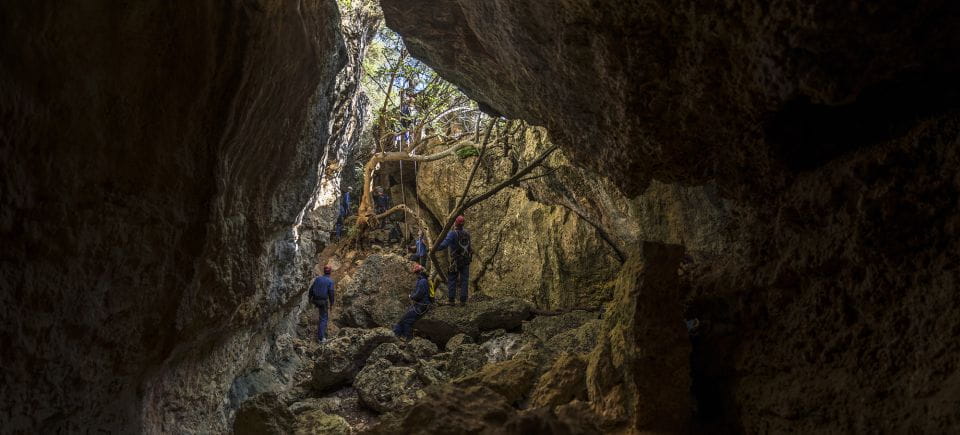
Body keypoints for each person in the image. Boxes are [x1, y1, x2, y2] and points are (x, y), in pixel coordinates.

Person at [438, 215, 472, 305]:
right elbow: (469, 248)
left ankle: (451, 300)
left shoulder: (452, 233)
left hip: (455, 261)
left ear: (455, 223)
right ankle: (463, 300)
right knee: (464, 280)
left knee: (452, 279)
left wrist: (434, 248)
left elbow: (444, 245)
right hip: (466, 260)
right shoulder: (467, 233)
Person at [393, 263, 432, 340]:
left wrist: (411, 296)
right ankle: (396, 336)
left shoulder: (422, 281)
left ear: (419, 272)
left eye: (416, 273)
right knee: (403, 319)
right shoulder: (423, 280)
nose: (415, 275)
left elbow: (418, 295)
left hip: (421, 306)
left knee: (406, 321)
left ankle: (407, 338)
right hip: (421, 305)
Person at [308, 265, 336, 343]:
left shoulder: (318, 279)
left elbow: (311, 289)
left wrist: (310, 299)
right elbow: (331, 293)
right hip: (323, 301)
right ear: (330, 271)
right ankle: (321, 338)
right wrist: (331, 304)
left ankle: (319, 334)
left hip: (314, 300)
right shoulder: (330, 281)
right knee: (324, 318)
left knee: (321, 315)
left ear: (324, 271)